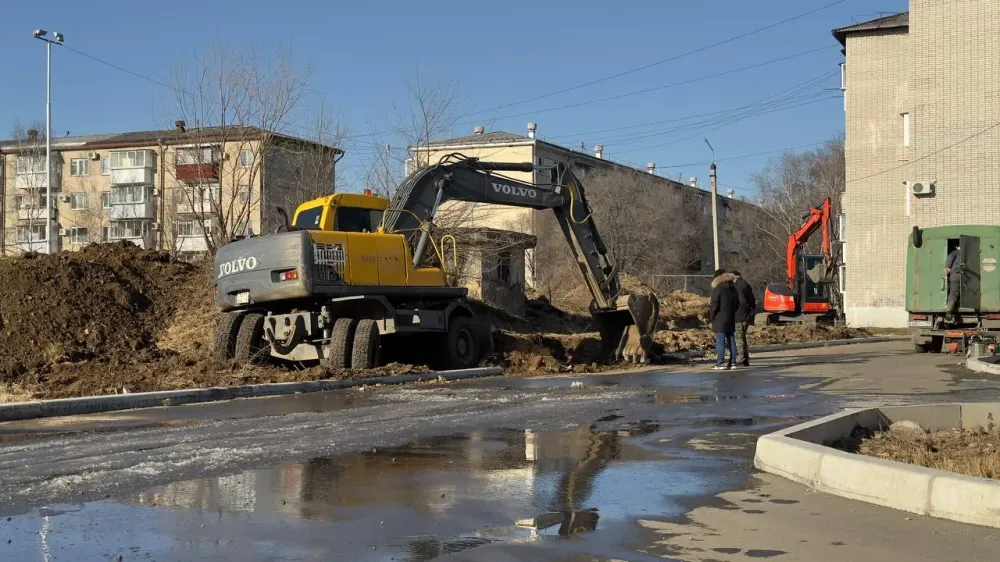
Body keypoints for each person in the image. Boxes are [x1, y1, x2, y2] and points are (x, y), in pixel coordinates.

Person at [709, 268, 739, 370]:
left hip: (719, 319)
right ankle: (733, 362)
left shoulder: (718, 289)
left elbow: (714, 305)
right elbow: (737, 304)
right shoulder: (733, 289)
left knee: (720, 341)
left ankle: (720, 363)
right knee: (731, 340)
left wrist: (712, 317)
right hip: (730, 317)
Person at [731, 270, 757, 366]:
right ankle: (745, 358)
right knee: (742, 337)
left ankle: (740, 357)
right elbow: (752, 300)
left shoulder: (737, 285)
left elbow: (742, 301)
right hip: (747, 315)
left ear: (734, 276)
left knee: (738, 337)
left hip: (739, 315)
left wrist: (737, 310)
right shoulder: (746, 284)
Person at [945, 245, 961, 323]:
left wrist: (948, 267)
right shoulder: (968, 253)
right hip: (966, 276)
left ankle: (949, 311)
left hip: (955, 275)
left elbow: (951, 256)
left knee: (953, 292)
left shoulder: (956, 252)